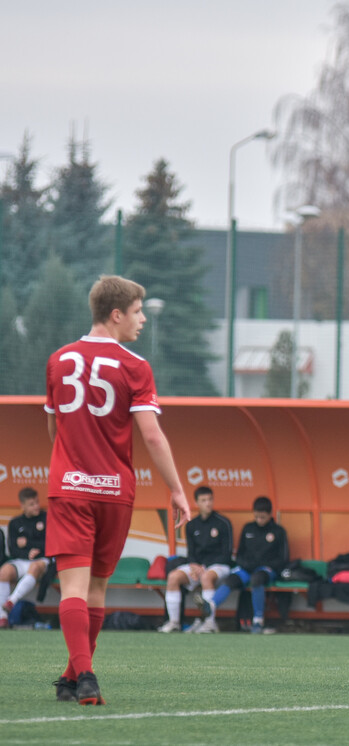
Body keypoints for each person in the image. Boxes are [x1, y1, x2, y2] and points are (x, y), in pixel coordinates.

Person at [44, 275, 191, 705]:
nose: (142, 319)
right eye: (137, 311)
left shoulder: (58, 360)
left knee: (73, 589)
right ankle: (80, 677)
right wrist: (177, 490)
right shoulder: (136, 367)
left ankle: (78, 676)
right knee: (95, 592)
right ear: (116, 314)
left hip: (69, 488)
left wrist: (72, 459)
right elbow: (153, 436)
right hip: (114, 492)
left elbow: (53, 427)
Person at [203, 496, 288, 634]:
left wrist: (262, 564)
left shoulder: (278, 531)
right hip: (247, 569)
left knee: (256, 579)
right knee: (231, 579)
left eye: (263, 517)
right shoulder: (248, 528)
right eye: (257, 516)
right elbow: (240, 554)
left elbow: (283, 559)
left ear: (270, 514)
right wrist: (245, 563)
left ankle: (258, 621)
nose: (259, 520)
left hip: (265, 570)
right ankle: (211, 605)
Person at [157, 485, 234, 634]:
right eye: (204, 500)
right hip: (198, 567)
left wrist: (203, 568)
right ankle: (174, 622)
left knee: (206, 577)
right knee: (173, 577)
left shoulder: (223, 523)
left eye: (210, 499)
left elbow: (226, 554)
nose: (208, 503)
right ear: (196, 503)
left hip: (219, 566)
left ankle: (209, 623)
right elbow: (191, 553)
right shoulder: (192, 525)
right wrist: (193, 566)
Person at [0, 488, 50, 629]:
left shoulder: (46, 518)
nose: (36, 506)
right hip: (22, 560)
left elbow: (51, 544)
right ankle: (2, 618)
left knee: (35, 567)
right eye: (31, 504)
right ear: (22, 506)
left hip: (42, 560)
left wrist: (28, 544)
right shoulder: (15, 523)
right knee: (4, 571)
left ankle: (11, 602)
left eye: (37, 502)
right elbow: (13, 549)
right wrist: (27, 554)